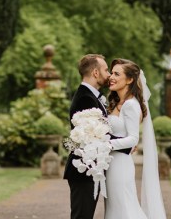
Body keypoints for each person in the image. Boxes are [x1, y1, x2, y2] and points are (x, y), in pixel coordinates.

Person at [105, 58, 166, 219]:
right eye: (111, 73)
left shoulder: (131, 105)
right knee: (115, 208)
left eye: (117, 74)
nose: (111, 76)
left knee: (124, 208)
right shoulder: (117, 103)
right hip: (112, 164)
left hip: (120, 165)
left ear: (130, 79)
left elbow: (132, 139)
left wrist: (104, 144)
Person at [64, 54, 111, 219]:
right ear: (96, 73)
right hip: (83, 170)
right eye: (106, 70)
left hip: (88, 170)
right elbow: (96, 136)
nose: (109, 74)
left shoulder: (91, 96)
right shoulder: (85, 98)